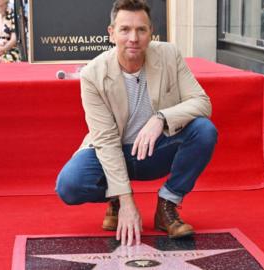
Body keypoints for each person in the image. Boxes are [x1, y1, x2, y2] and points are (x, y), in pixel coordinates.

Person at [56, 0, 217, 246]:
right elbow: (107, 140)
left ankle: (167, 205)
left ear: (151, 32)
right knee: (69, 185)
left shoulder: (169, 54)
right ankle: (116, 200)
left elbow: (202, 102)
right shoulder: (93, 74)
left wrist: (161, 118)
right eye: (125, 30)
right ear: (111, 33)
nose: (134, 37)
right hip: (113, 150)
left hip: (155, 150)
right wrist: (127, 202)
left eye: (141, 30)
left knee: (204, 130)